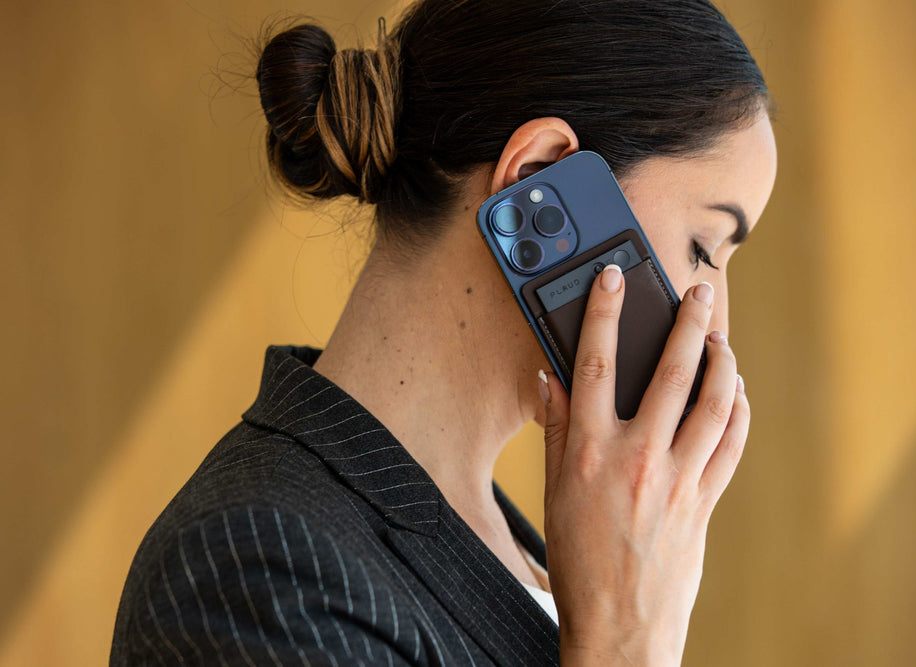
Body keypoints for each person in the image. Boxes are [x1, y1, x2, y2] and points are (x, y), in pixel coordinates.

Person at [110, 0, 777, 663]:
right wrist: (625, 645)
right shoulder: (253, 572)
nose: (716, 318)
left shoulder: (546, 551)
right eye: (703, 246)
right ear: (540, 179)